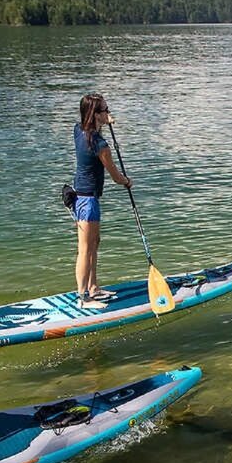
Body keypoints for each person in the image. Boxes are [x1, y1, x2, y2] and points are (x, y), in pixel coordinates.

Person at [72, 92, 131, 308]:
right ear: (95, 114)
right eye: (105, 110)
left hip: (85, 196)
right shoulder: (100, 144)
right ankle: (83, 297)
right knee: (85, 249)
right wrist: (127, 181)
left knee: (95, 243)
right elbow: (115, 176)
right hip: (87, 201)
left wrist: (105, 123)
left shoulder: (78, 130)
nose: (109, 113)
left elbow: (90, 129)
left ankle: (93, 287)